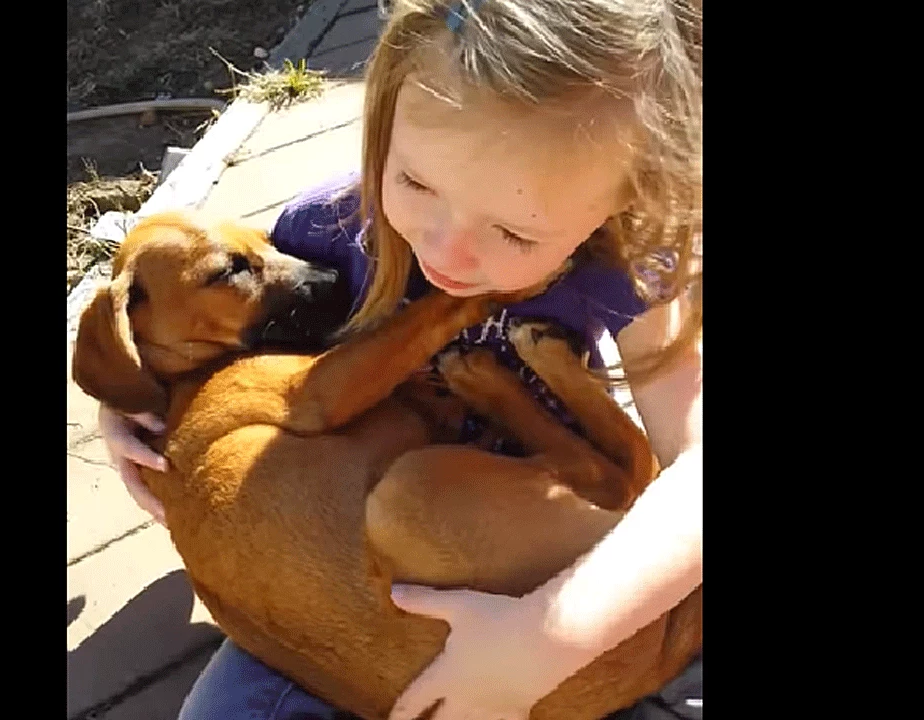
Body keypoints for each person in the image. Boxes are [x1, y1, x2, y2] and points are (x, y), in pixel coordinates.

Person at [96, 0, 702, 718]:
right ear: (379, 127)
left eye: (513, 232)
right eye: (414, 183)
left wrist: (552, 636)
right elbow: (201, 303)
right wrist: (131, 391)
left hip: (557, 593)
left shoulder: (629, 272)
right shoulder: (326, 231)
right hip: (355, 595)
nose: (448, 252)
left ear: (622, 204)